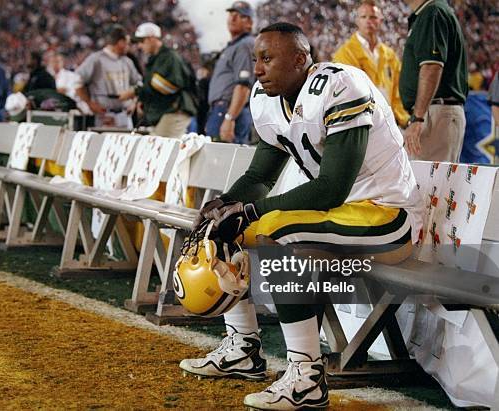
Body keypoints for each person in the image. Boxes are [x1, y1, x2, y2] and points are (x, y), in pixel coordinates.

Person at [179, 22, 423, 409]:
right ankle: (243, 349)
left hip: (386, 214)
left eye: (267, 59)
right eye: (255, 59)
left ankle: (307, 376)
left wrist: (250, 211)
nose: (257, 69)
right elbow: (260, 176)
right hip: (341, 214)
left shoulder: (342, 85)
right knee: (226, 228)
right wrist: (223, 205)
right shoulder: (269, 97)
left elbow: (331, 189)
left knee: (279, 230)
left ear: (300, 60)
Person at [400, 0, 468, 161]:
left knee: (429, 184)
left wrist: (418, 117)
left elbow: (432, 66)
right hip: (432, 112)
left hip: (434, 113)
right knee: (426, 183)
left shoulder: (433, 12)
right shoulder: (430, 12)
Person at [333, 0, 409, 127]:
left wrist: (403, 118)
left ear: (380, 20)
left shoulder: (389, 54)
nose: (368, 21)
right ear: (357, 20)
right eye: (363, 17)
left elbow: (397, 92)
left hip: (388, 120)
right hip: (362, 121)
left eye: (373, 17)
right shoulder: (345, 53)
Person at [119, 23, 197, 137]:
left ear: (151, 38)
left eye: (142, 41)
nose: (139, 46)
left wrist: (136, 92)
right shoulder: (157, 59)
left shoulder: (168, 57)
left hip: (174, 111)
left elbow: (168, 87)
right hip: (167, 112)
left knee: (161, 149)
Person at [205, 1, 255, 144]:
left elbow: (243, 86)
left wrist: (229, 118)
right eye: (231, 15)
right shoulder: (233, 46)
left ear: (249, 23)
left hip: (230, 111)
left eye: (240, 16)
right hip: (222, 109)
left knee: (224, 160)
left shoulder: (245, 45)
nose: (233, 18)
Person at [75, 25, 141, 128]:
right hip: (105, 115)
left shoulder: (127, 61)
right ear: (120, 42)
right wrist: (90, 103)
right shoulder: (96, 59)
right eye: (127, 43)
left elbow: (139, 84)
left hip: (125, 114)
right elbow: (77, 82)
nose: (129, 46)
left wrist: (134, 102)